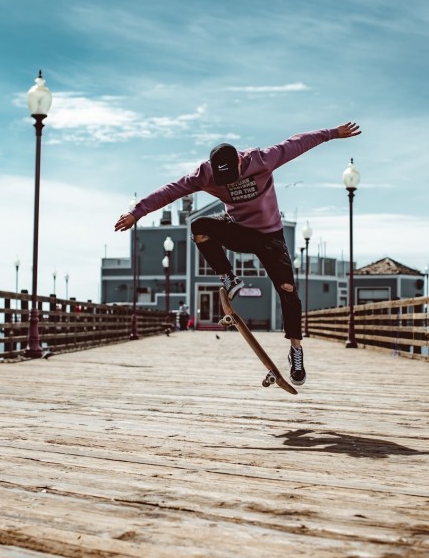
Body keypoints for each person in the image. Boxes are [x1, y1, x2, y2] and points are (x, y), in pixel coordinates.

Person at [114, 122, 362, 386]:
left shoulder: (264, 159)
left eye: (232, 176)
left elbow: (298, 142)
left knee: (288, 290)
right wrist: (136, 212)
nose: (229, 183)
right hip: (238, 230)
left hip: (271, 237)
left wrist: (333, 133)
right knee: (199, 227)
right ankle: (228, 277)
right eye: (224, 181)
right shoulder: (204, 174)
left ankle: (296, 350)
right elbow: (171, 190)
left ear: (240, 163)